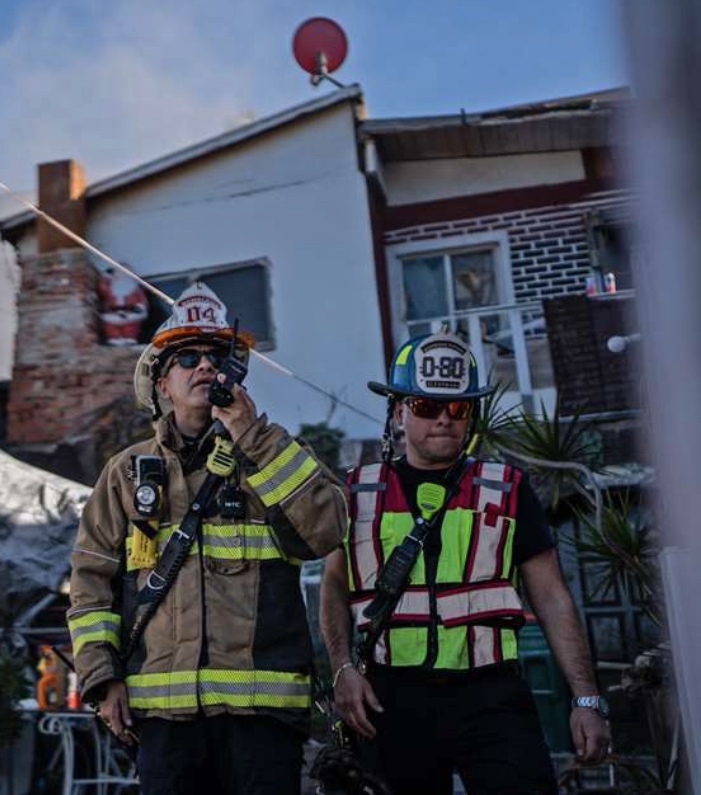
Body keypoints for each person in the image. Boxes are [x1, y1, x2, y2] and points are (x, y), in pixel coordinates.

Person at [67, 283, 348, 794]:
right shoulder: (125, 474)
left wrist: (253, 436)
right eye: (187, 357)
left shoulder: (272, 452)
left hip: (261, 721)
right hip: (163, 723)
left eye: (216, 356)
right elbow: (90, 586)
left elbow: (327, 531)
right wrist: (102, 680)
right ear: (161, 383)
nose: (204, 366)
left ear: (234, 373)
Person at [318, 327, 613, 795]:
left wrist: (586, 698)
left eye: (457, 408)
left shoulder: (508, 489)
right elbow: (332, 586)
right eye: (426, 406)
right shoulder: (357, 492)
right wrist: (341, 670)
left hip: (492, 695)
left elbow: (554, 598)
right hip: (391, 699)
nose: (443, 419)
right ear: (399, 411)